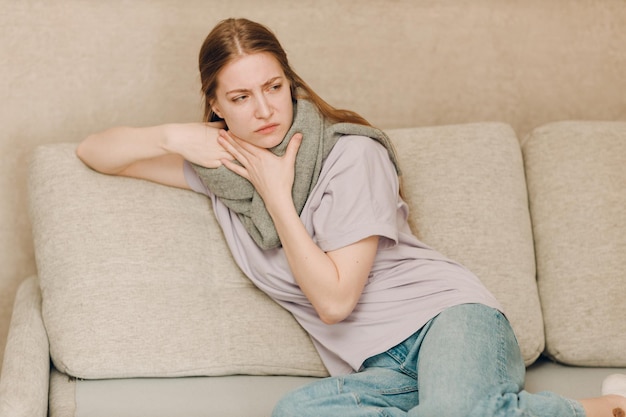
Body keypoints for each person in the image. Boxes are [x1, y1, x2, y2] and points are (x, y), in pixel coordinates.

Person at [76, 17, 626, 417]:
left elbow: (335, 302)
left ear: (290, 84)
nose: (265, 110)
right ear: (216, 105)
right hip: (379, 371)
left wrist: (278, 197)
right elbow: (95, 153)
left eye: (273, 88)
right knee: (297, 414)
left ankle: (598, 410)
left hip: (450, 324)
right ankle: (501, 410)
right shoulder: (224, 172)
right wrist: (173, 135)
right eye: (240, 97)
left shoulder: (351, 155)